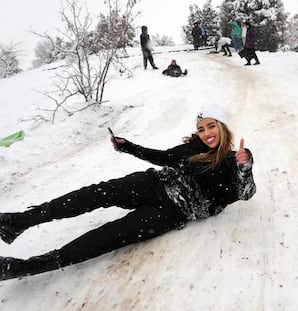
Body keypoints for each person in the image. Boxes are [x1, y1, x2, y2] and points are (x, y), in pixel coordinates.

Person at [0, 105, 256, 281]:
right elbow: (162, 157)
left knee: (106, 236)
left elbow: (246, 193)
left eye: (211, 126)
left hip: (170, 212)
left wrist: (244, 167)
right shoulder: (192, 147)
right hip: (152, 183)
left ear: (222, 127)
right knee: (94, 194)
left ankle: (25, 266)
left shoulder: (235, 160)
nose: (206, 133)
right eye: (201, 128)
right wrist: (128, 147)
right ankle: (19, 221)